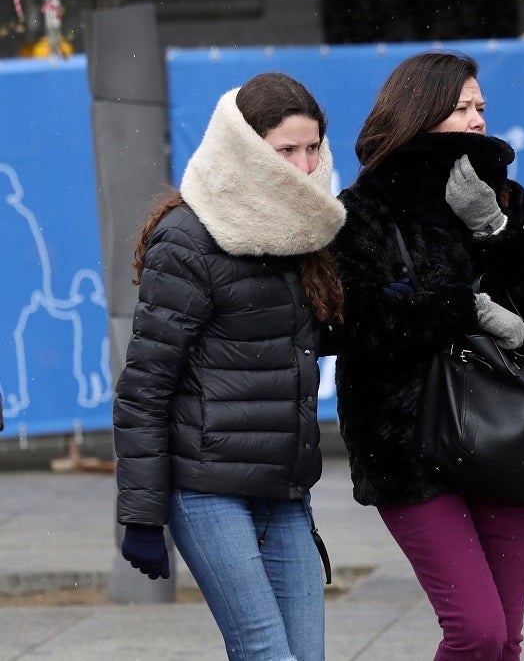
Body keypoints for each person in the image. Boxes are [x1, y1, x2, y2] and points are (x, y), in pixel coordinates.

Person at [331, 51, 524, 660]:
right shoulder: (362, 210)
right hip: (408, 443)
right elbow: (355, 327)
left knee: (507, 640)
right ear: (419, 114)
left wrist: (496, 232)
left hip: (504, 432)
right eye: (461, 107)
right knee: (477, 631)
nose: (477, 120)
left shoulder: (503, 199)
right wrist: (462, 309)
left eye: (481, 107)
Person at [113, 72, 346, 661]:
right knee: (266, 651)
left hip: (285, 489)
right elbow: (145, 386)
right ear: (243, 150)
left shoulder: (308, 233)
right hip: (207, 487)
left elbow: (323, 340)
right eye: (284, 150)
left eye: (312, 147)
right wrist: (141, 515)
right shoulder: (188, 239)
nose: (302, 166)